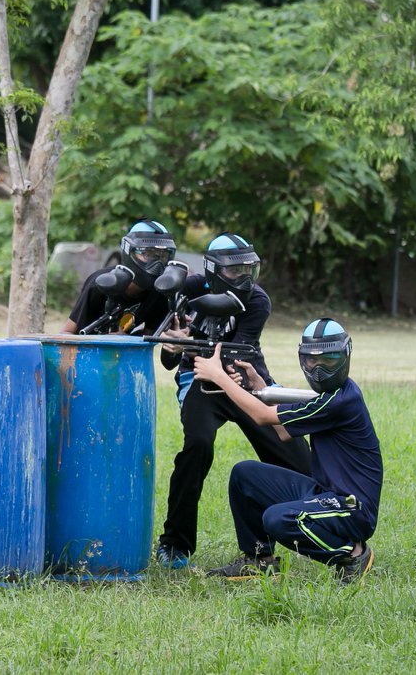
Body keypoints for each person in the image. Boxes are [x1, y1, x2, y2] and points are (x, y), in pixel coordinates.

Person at [153, 233, 311, 569]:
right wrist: (173, 344)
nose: (243, 278)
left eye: (247, 270)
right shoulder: (190, 290)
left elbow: (239, 352)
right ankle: (175, 544)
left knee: (295, 453)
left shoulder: (257, 300)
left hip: (246, 377)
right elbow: (168, 360)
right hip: (199, 378)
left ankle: (326, 527)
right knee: (197, 446)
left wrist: (219, 363)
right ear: (212, 270)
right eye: (233, 270)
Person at [193, 317, 381, 584]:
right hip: (326, 494)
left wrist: (220, 377)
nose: (318, 369)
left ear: (346, 355)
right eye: (311, 361)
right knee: (245, 474)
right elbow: (282, 429)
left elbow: (261, 417)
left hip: (352, 507)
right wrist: (262, 387)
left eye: (329, 359)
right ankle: (260, 561)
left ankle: (354, 554)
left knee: (279, 519)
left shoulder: (340, 400)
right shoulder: (331, 398)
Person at [60, 219, 177, 335]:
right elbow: (66, 333)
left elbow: (149, 339)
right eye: (148, 254)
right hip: (88, 351)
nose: (157, 264)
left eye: (163, 255)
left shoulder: (160, 291)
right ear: (128, 251)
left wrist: (124, 341)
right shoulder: (100, 284)